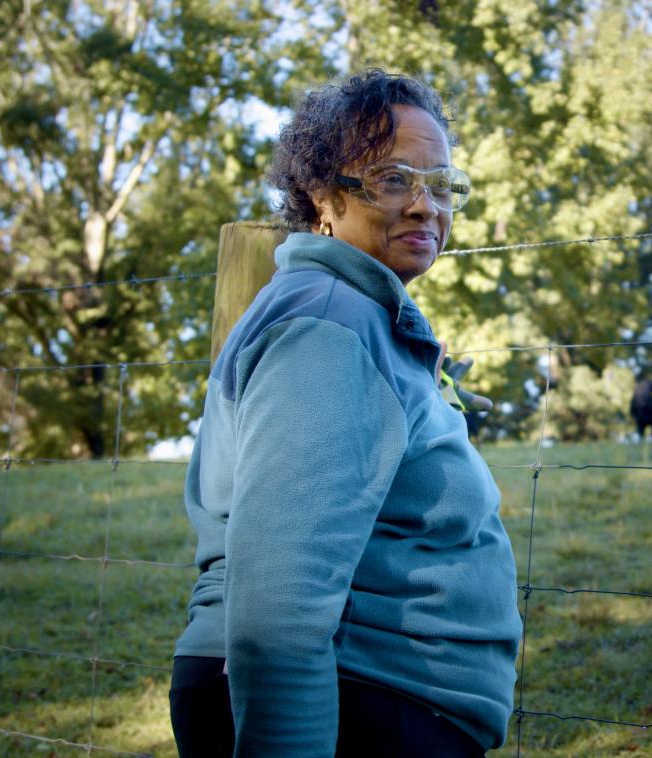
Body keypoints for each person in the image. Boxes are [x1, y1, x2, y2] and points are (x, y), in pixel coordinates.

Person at [170, 69, 522, 757]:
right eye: (393, 180)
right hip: (348, 701)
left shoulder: (352, 315)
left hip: (367, 700)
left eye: (442, 184)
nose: (426, 207)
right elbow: (278, 606)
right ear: (323, 194)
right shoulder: (329, 325)